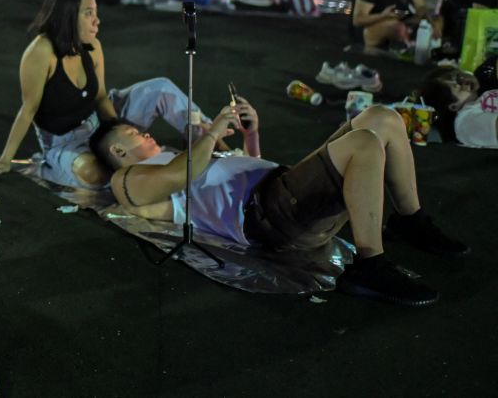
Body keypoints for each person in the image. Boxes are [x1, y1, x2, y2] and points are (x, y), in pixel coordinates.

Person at [92, 100, 468, 306]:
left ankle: (411, 219)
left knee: (382, 118)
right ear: (118, 149)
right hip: (266, 216)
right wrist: (212, 133)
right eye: (133, 132)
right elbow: (179, 177)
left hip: (279, 192)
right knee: (365, 143)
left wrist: (251, 135)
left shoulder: (175, 155)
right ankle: (370, 264)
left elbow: (246, 168)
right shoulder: (126, 179)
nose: (144, 132)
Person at [0, 0, 200, 187]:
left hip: (98, 123)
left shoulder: (92, 46)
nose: (97, 21)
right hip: (64, 142)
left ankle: (212, 143)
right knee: (93, 175)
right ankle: (50, 165)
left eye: (96, 12)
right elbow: (28, 109)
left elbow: (100, 96)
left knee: (161, 88)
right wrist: (6, 159)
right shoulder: (41, 51)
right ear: (69, 16)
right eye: (88, 13)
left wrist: (118, 131)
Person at [418, 66, 498, 147]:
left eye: (458, 76)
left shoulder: (483, 89)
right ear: (453, 106)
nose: (465, 82)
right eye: (458, 86)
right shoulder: (465, 123)